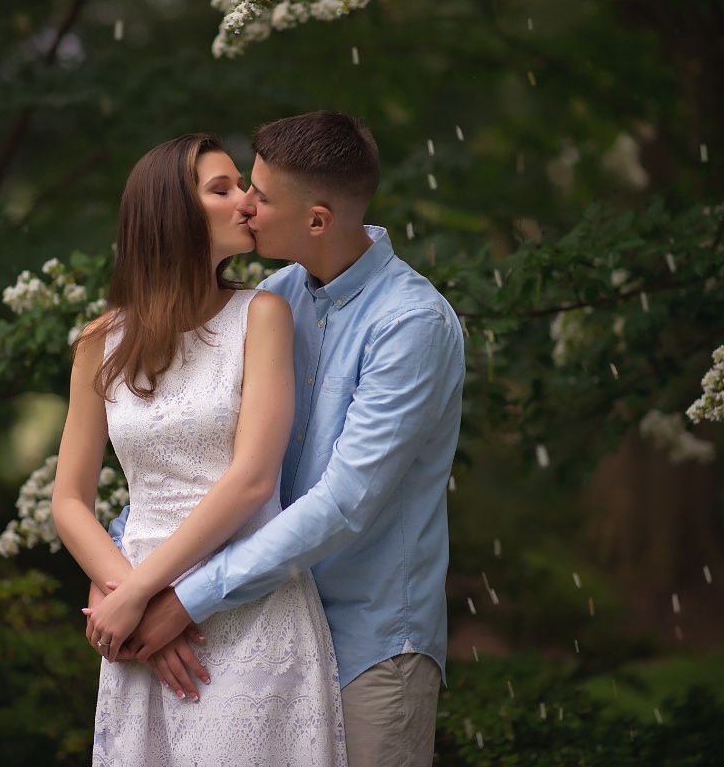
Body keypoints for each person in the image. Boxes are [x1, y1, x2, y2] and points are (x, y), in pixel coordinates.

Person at [111, 111, 466, 767]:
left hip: (368, 640)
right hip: (257, 631)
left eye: (260, 194)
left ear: (317, 220)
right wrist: (126, 574)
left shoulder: (410, 324)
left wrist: (182, 598)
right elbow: (191, 454)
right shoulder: (269, 302)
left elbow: (342, 504)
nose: (245, 202)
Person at [51, 133, 346, 765]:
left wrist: (140, 599)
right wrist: (130, 599)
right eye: (223, 188)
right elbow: (69, 501)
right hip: (137, 624)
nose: (247, 201)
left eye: (243, 185)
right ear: (170, 214)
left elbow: (250, 482)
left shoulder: (262, 315)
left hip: (252, 609)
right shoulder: (99, 342)